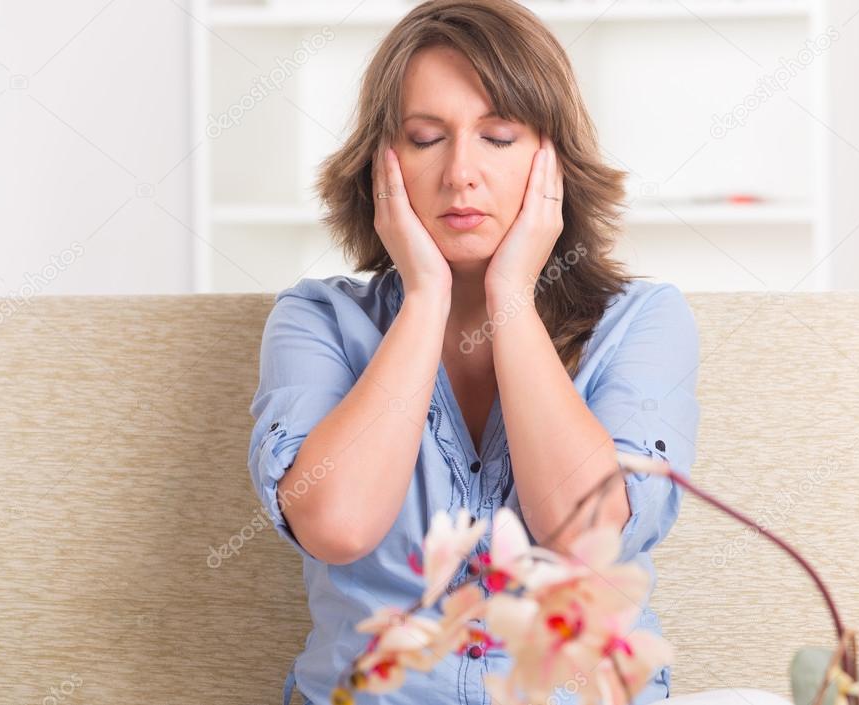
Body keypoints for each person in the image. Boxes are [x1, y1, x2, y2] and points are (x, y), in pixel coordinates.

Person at [247, 2, 788, 704]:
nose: (459, 173)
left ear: (551, 160)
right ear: (382, 164)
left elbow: (581, 534)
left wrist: (509, 297)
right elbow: (338, 526)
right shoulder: (315, 319)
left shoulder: (644, 322)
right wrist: (424, 299)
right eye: (423, 137)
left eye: (498, 135)